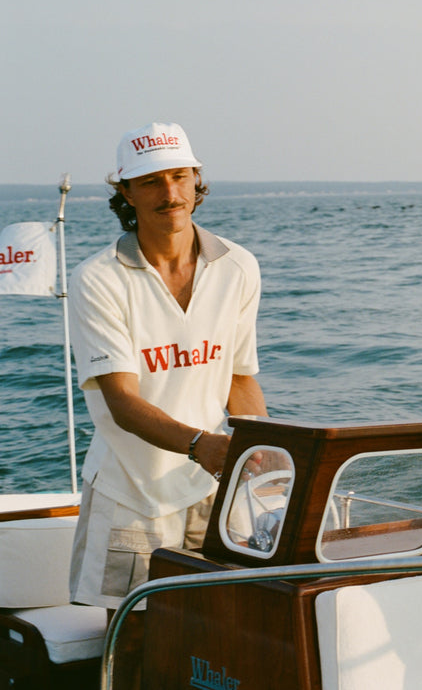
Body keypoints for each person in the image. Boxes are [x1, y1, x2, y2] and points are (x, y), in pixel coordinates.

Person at [67, 121, 268, 686]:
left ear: (197, 180)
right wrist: (205, 445)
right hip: (133, 489)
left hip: (213, 482)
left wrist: (268, 461)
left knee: (217, 634)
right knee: (133, 638)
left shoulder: (238, 265)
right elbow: (123, 402)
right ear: (125, 193)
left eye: (180, 176)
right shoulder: (98, 279)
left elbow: (241, 378)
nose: (170, 193)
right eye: (151, 181)